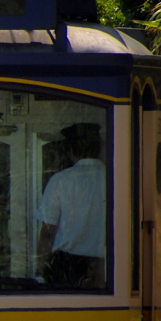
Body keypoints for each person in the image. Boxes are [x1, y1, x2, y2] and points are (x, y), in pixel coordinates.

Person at [36, 122, 106, 288]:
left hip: (68, 267)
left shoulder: (60, 180)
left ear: (70, 151)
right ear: (99, 149)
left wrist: (40, 267)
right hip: (108, 265)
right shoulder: (114, 179)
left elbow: (47, 230)